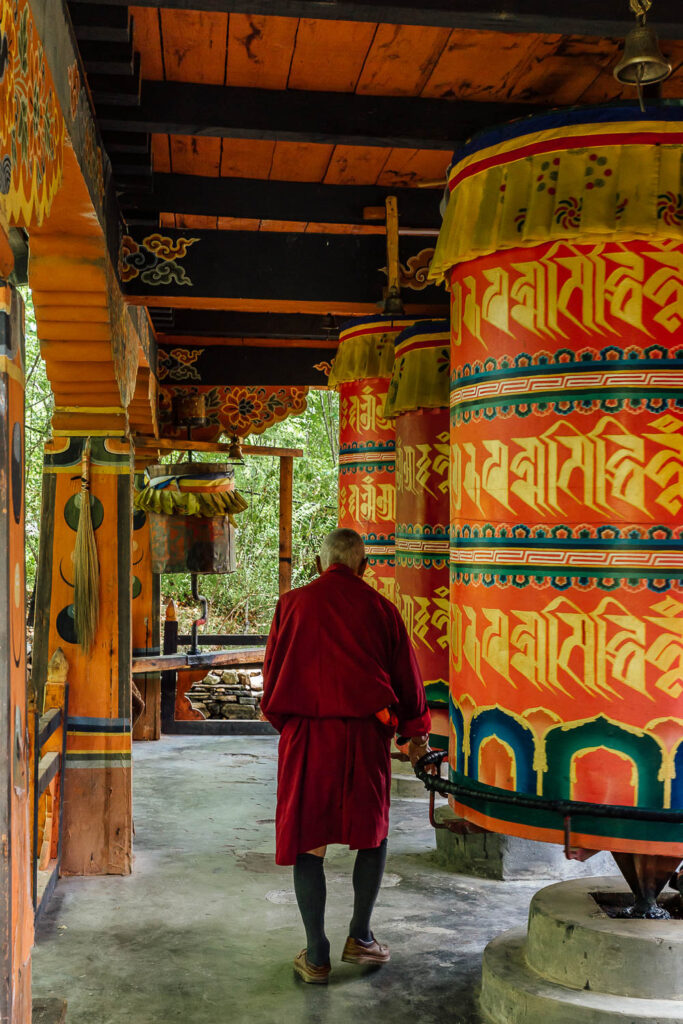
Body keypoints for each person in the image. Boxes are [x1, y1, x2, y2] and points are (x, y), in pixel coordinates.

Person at [261, 527, 431, 985]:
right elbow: (409, 681)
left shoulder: (292, 604)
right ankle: (361, 937)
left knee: (307, 840)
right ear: (363, 565)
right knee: (371, 834)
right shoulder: (383, 610)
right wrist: (415, 735)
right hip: (363, 737)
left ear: (319, 565)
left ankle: (316, 954)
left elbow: (273, 678)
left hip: (306, 738)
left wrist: (296, 723)